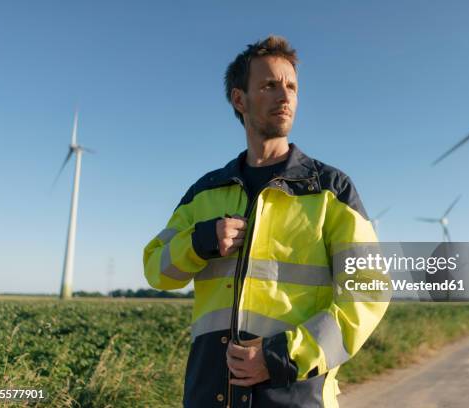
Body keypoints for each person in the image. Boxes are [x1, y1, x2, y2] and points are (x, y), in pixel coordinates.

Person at [143, 35, 390, 408]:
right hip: (211, 393)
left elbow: (368, 291)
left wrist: (283, 356)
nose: (285, 96)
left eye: (291, 86)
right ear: (239, 99)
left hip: (294, 393)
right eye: (269, 85)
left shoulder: (331, 190)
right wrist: (198, 242)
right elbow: (156, 269)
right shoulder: (204, 192)